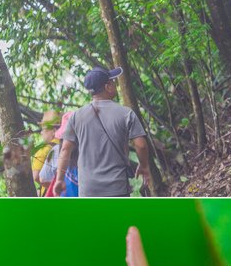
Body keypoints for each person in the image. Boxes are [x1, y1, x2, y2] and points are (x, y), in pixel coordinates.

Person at [54, 67, 151, 198]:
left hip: (88, 190)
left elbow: (65, 149)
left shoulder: (76, 116)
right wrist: (144, 166)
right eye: (113, 82)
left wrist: (59, 179)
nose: (115, 84)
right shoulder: (126, 113)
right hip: (117, 187)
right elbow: (141, 145)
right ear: (108, 87)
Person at [32, 110, 61, 195]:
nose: (41, 132)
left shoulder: (44, 149)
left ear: (54, 131)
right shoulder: (67, 146)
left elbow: (36, 176)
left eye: (43, 129)